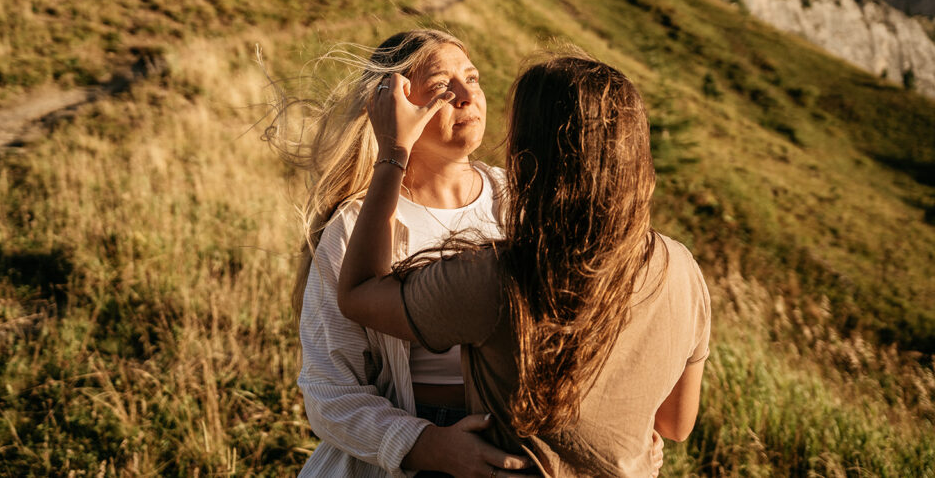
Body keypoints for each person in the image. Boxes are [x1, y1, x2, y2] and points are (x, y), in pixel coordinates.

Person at [336, 53, 711, 477]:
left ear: (529, 157)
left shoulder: (496, 279)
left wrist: (393, 152)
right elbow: (675, 425)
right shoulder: (682, 269)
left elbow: (358, 294)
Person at [269, 29, 532, 476]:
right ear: (393, 107)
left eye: (472, 78)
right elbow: (328, 394)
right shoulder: (355, 227)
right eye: (442, 86)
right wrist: (429, 446)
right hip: (409, 454)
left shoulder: (519, 202)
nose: (467, 95)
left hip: (515, 442)